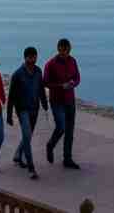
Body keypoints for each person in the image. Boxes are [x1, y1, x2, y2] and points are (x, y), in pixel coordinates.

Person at [6, 46, 49, 179]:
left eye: (34, 56)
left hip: (34, 109)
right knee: (27, 134)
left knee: (28, 136)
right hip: (22, 109)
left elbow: (41, 89)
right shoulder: (17, 74)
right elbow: (11, 96)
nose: (32, 59)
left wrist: (44, 103)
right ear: (25, 58)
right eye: (30, 57)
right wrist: (9, 115)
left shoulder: (38, 71)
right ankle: (31, 167)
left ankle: (18, 155)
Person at [43, 38, 81, 169]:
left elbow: (77, 78)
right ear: (58, 49)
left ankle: (67, 158)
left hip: (70, 100)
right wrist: (60, 86)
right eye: (62, 50)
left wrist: (72, 84)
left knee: (70, 130)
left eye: (67, 50)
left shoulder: (73, 61)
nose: (65, 52)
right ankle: (50, 145)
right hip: (57, 100)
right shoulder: (51, 64)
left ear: (69, 49)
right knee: (61, 127)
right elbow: (46, 82)